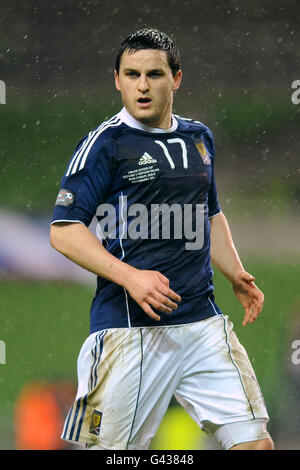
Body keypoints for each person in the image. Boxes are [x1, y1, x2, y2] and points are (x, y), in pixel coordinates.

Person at [49, 28, 274, 450]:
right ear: (116, 79)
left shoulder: (198, 138)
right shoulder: (105, 145)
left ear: (176, 79)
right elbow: (64, 231)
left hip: (201, 323)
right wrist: (131, 277)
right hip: (130, 331)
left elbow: (210, 215)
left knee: (255, 443)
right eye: (131, 74)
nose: (142, 85)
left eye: (154, 74)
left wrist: (237, 273)